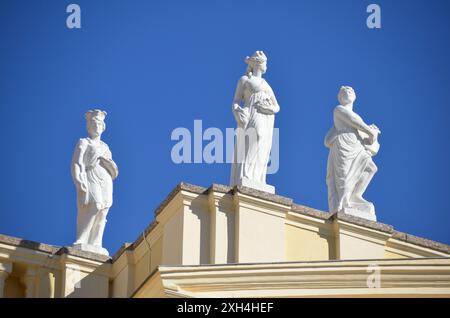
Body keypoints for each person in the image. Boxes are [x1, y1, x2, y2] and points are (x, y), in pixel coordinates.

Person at [325, 86, 380, 220]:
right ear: (339, 97)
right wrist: (369, 131)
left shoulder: (354, 119)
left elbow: (359, 129)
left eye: (350, 91)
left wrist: (373, 135)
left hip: (356, 148)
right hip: (344, 148)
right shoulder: (338, 110)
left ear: (354, 97)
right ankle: (344, 204)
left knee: (371, 168)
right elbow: (352, 121)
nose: (347, 92)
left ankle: (356, 196)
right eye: (344, 92)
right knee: (344, 180)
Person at [230, 51, 280, 190]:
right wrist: (238, 112)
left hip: (264, 116)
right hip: (250, 114)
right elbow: (235, 101)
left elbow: (277, 107)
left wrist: (267, 108)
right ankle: (245, 174)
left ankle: (257, 177)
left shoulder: (266, 84)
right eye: (265, 63)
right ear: (258, 63)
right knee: (255, 136)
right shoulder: (244, 80)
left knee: (262, 142)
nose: (266, 66)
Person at [71, 109, 118, 255]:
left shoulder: (105, 147)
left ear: (103, 127)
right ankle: (82, 239)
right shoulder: (84, 142)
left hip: (105, 178)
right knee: (94, 205)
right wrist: (79, 180)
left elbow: (114, 169)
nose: (96, 126)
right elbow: (76, 163)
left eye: (99, 124)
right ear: (89, 126)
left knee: (103, 210)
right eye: (93, 124)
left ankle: (96, 243)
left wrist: (106, 161)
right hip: (90, 175)